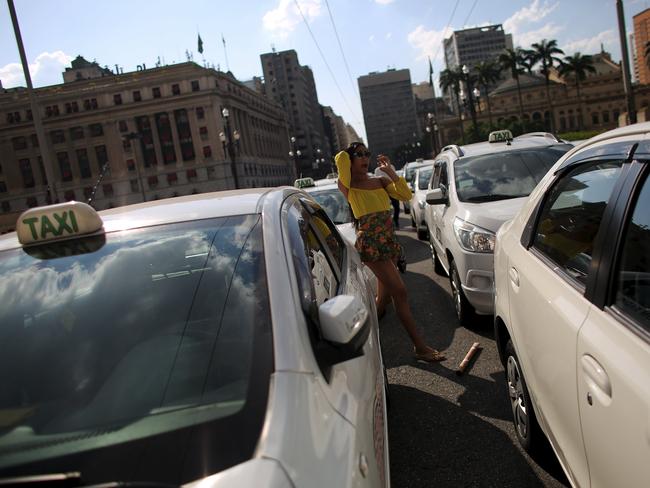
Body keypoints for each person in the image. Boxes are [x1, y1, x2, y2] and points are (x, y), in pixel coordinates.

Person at [335, 142, 446, 362]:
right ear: (350, 159)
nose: (365, 157)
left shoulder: (380, 180)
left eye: (368, 153)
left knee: (382, 302)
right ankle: (420, 347)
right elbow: (340, 158)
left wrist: (390, 172)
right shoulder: (348, 186)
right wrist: (349, 153)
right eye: (359, 154)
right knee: (401, 292)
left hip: (388, 242)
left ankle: (358, 342)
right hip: (372, 245)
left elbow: (405, 195)